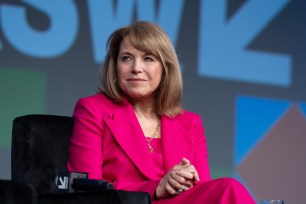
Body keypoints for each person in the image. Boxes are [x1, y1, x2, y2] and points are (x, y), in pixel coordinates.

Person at [67, 21, 255, 203]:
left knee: (227, 189)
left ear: (165, 70)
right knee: (230, 188)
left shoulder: (191, 122)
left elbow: (203, 192)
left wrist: (186, 180)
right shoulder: (92, 109)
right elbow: (85, 190)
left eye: (148, 59)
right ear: (115, 67)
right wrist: (157, 188)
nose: (136, 68)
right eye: (126, 58)